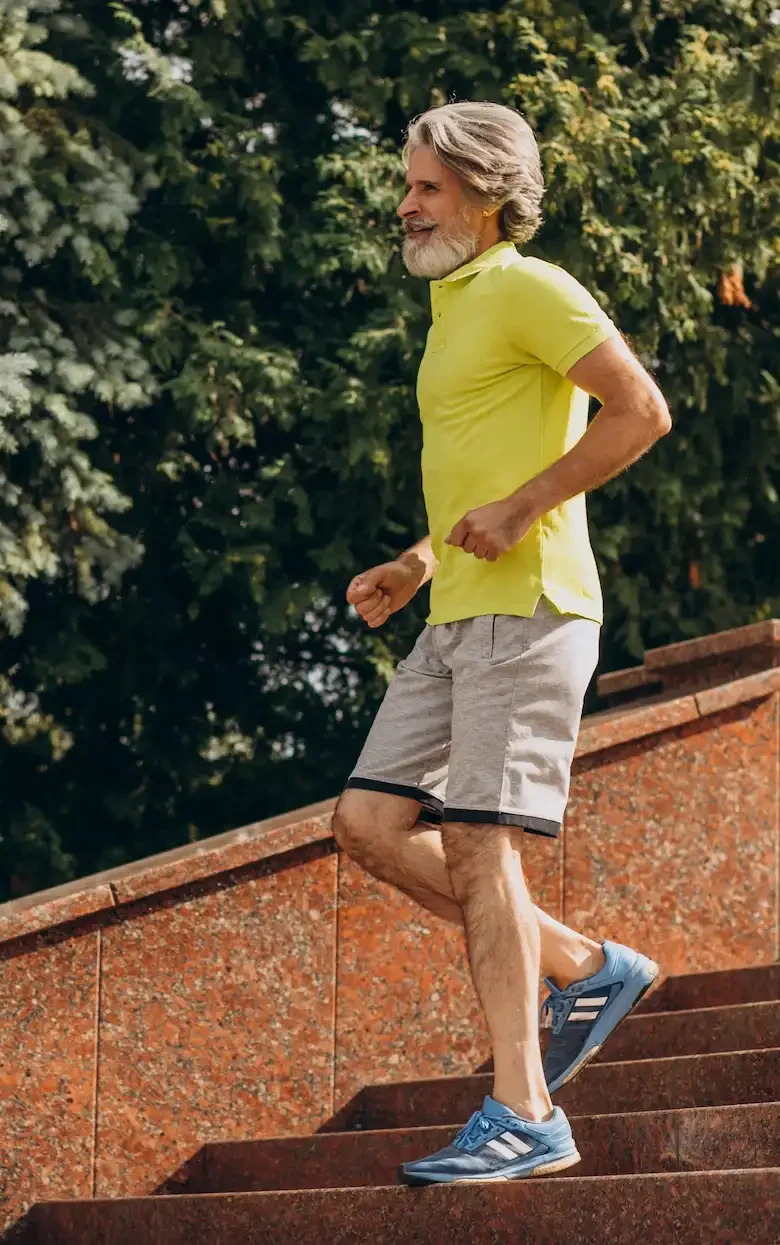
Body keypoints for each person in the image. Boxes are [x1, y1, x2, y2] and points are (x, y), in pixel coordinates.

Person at [332, 100, 670, 1184]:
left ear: (485, 193)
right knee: (368, 822)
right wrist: (417, 562)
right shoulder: (457, 308)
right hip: (455, 611)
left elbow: (639, 411)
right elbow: (479, 475)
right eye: (409, 184)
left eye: (426, 186)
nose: (407, 203)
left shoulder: (530, 285)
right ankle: (581, 964)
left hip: (530, 610)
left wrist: (525, 509)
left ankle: (527, 1113)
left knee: (482, 844)